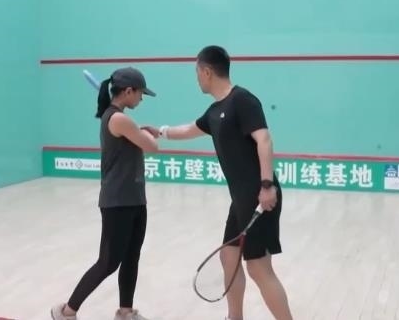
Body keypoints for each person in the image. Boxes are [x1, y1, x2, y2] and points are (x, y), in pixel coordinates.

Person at [152, 45, 294, 320]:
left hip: (259, 196)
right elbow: (190, 129)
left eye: (197, 72)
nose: (196, 78)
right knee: (229, 256)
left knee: (259, 268)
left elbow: (264, 140)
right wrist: (160, 131)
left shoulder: (243, 100)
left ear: (207, 72)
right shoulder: (215, 111)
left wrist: (267, 185)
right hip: (240, 200)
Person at [51, 67, 159, 320]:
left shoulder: (121, 119)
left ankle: (125, 312)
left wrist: (141, 131)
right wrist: (145, 133)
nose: (141, 99)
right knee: (108, 262)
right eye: (141, 94)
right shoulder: (118, 119)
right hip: (117, 202)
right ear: (128, 91)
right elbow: (152, 147)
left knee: (131, 257)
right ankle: (67, 311)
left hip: (134, 199)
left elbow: (139, 139)